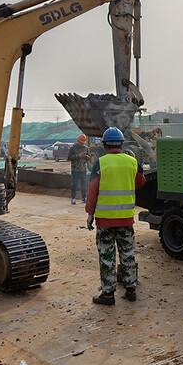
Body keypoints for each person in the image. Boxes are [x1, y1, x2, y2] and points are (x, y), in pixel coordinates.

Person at [85, 127, 145, 305]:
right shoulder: (132, 162)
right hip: (126, 219)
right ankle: (131, 290)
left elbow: (92, 191)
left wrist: (90, 215)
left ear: (104, 145)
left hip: (105, 221)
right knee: (128, 254)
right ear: (121, 143)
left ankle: (108, 295)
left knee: (106, 256)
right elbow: (140, 182)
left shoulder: (101, 163)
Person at [67, 134, 90, 205]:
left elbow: (89, 157)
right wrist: (78, 156)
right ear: (78, 141)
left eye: (83, 142)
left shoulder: (86, 148)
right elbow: (69, 158)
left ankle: (84, 197)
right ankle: (73, 198)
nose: (82, 143)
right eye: (81, 142)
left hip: (83, 169)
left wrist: (85, 156)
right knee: (74, 184)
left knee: (84, 184)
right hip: (75, 169)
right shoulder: (73, 148)